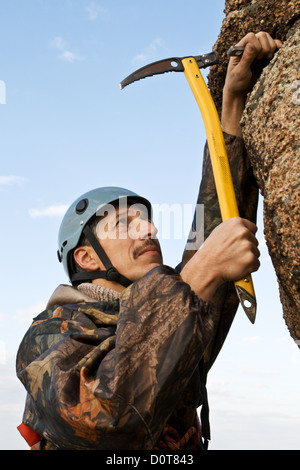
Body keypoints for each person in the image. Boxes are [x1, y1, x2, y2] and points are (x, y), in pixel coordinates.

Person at [16, 32, 282, 450]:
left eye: (147, 220)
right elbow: (104, 415)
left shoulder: (173, 307)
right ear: (86, 256)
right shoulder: (51, 334)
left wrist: (233, 106)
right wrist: (201, 273)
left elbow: (213, 224)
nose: (149, 229)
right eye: (125, 223)